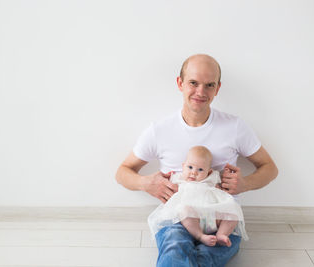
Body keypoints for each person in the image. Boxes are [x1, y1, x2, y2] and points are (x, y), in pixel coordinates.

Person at [116, 54, 278, 267]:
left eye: (209, 85)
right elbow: (123, 171)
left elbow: (270, 168)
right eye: (193, 83)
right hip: (177, 217)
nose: (201, 92)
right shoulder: (159, 131)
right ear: (180, 83)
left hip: (222, 220)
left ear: (217, 88)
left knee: (206, 257)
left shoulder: (235, 127)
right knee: (174, 249)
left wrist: (245, 184)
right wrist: (146, 183)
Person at [148, 146, 248, 249]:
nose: (194, 172)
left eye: (200, 169)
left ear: (208, 172)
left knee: (233, 213)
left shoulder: (211, 178)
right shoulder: (179, 178)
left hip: (212, 216)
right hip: (193, 218)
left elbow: (222, 183)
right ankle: (200, 236)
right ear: (183, 166)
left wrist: (226, 174)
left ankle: (221, 234)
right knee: (184, 210)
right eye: (190, 167)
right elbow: (167, 185)